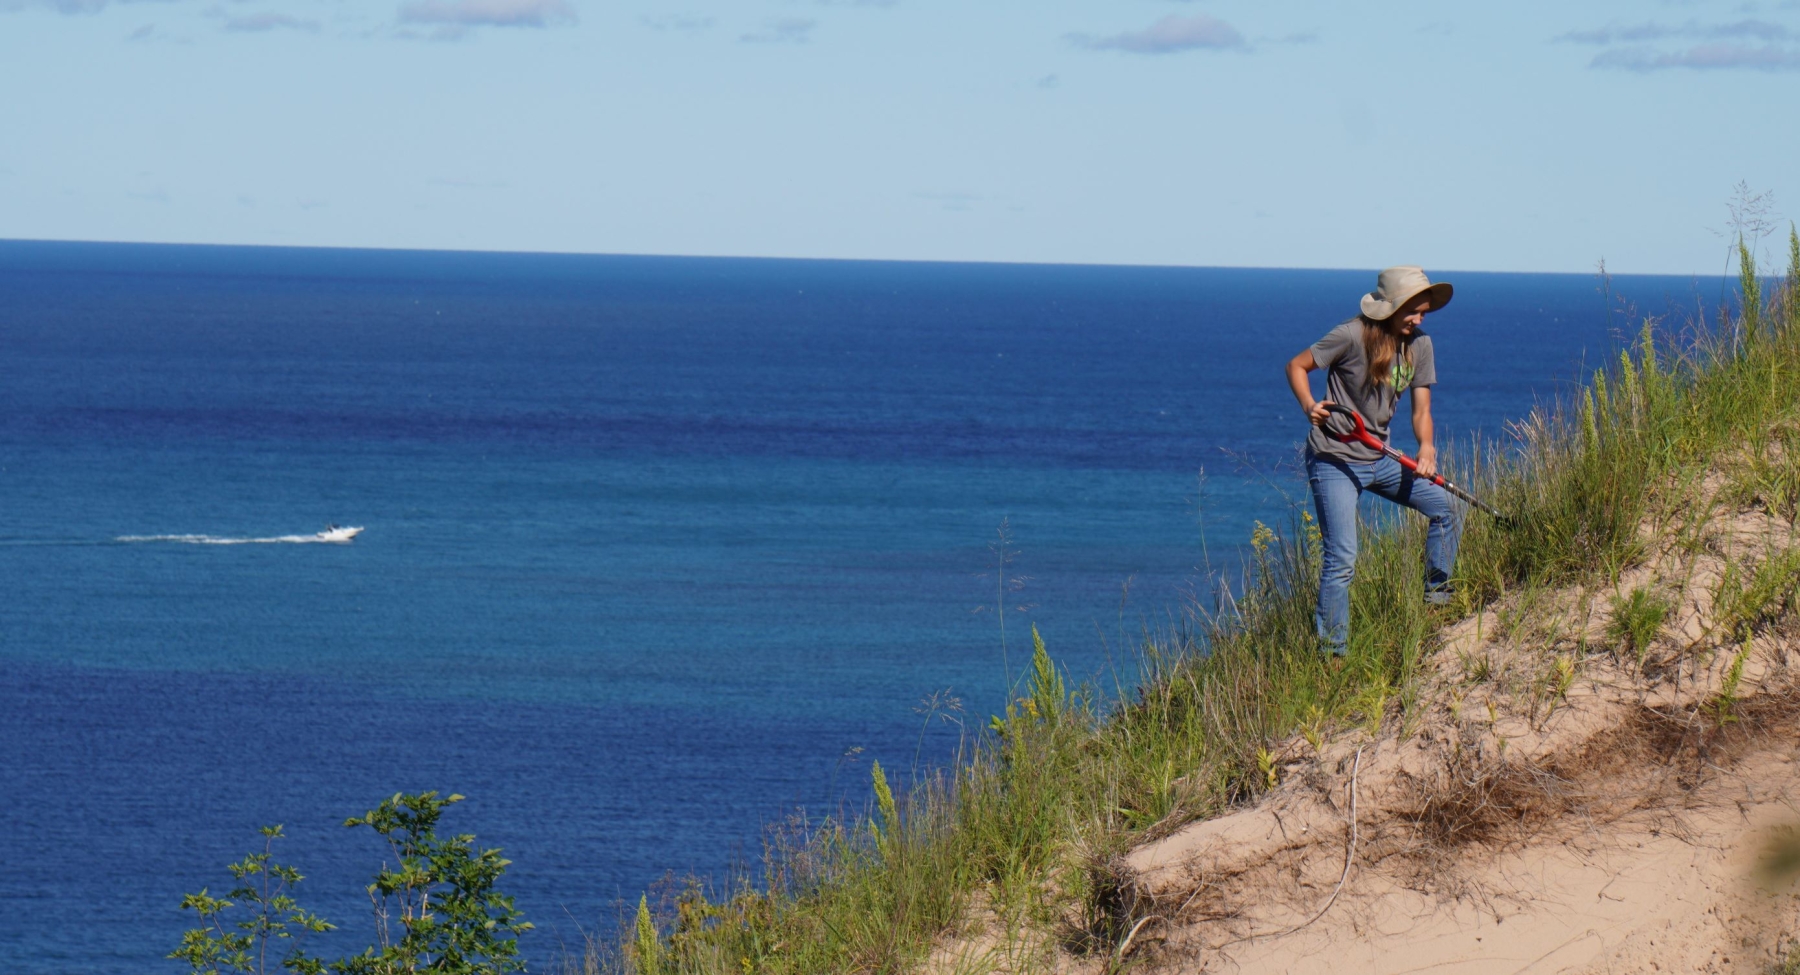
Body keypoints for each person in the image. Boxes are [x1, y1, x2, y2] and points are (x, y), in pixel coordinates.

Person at [1284, 266, 1460, 658]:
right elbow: (1296, 366)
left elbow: (1421, 409)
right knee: (1342, 557)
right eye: (1413, 312)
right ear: (1390, 309)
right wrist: (1309, 405)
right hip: (1334, 459)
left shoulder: (1421, 344)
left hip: (1379, 457)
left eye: (1424, 313)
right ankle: (1332, 655)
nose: (1419, 320)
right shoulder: (1349, 335)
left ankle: (1437, 607)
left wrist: (1426, 447)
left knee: (1446, 509)